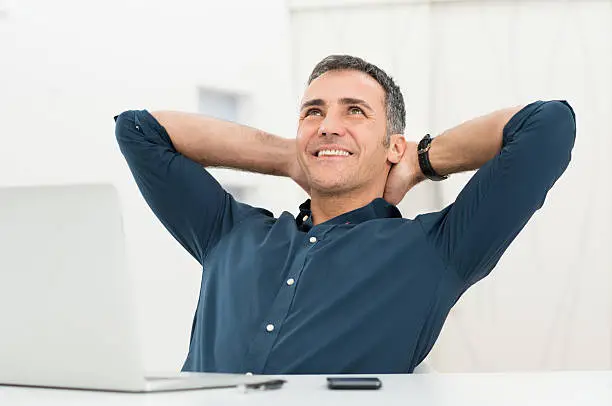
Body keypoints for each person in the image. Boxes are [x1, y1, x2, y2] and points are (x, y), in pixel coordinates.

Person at [114, 55, 576, 374]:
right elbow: (138, 130)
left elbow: (548, 125)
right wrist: (292, 156)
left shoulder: (436, 250)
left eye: (354, 112)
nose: (329, 124)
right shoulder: (228, 231)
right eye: (313, 112)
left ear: (393, 144)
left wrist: (420, 159)